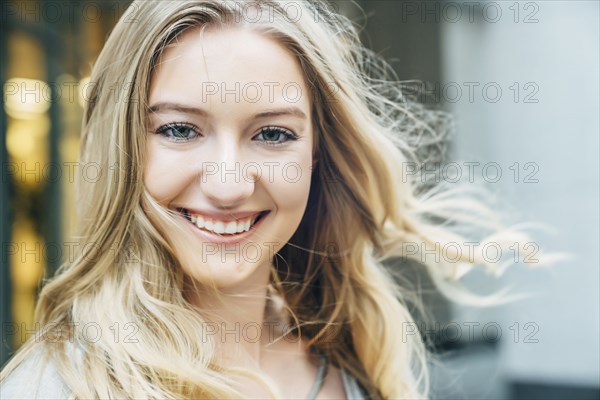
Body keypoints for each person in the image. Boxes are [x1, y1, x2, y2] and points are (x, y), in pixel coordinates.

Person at [0, 1, 547, 399]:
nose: (229, 183)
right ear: (124, 147)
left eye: (272, 135)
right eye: (180, 130)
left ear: (317, 155)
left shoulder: (355, 363)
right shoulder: (60, 386)